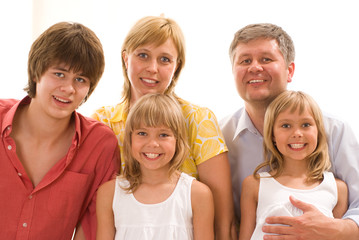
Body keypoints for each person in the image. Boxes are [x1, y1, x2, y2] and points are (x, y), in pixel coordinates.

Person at [92, 15, 236, 239]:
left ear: (176, 66)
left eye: (165, 60)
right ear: (125, 58)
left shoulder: (198, 119)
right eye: (143, 55)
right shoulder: (103, 122)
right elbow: (92, 209)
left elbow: (223, 222)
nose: (152, 68)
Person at [220, 23, 359, 239]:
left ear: (289, 70)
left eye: (266, 59)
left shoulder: (335, 130)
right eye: (245, 60)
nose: (255, 67)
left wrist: (335, 229)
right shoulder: (219, 136)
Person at [0, 22, 120, 240]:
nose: (68, 89)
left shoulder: (100, 144)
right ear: (36, 72)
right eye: (59, 74)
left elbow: (92, 226)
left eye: (80, 79)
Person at [96, 93, 214, 239]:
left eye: (163, 135)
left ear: (178, 140)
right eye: (142, 133)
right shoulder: (109, 194)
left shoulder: (197, 194)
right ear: (129, 139)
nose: (152, 143)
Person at [238, 90, 348, 240]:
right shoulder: (254, 185)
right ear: (272, 135)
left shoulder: (337, 188)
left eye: (306, 124)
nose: (297, 133)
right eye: (286, 125)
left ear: (318, 132)